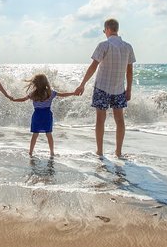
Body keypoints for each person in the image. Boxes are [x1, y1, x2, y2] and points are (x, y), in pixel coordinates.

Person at [74, 18, 136, 157]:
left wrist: (82, 84)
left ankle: (100, 151)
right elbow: (130, 71)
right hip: (119, 89)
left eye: (104, 31)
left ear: (107, 29)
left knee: (100, 120)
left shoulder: (103, 45)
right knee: (120, 120)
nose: (104, 33)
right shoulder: (128, 47)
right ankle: (118, 152)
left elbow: (93, 66)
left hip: (102, 87)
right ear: (117, 29)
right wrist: (129, 89)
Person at [12, 74, 76, 157]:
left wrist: (13, 99)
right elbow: (62, 94)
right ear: (46, 82)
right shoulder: (50, 93)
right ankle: (52, 152)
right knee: (49, 134)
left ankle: (30, 152)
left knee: (35, 135)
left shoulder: (33, 94)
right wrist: (73, 93)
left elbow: (23, 99)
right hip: (47, 115)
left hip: (37, 115)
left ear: (35, 83)